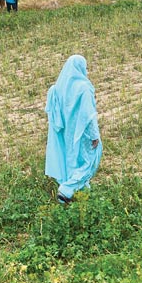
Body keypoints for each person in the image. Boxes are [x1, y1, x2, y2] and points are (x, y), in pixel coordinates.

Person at [45, 55, 102, 204]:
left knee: (72, 160)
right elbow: (89, 115)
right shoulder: (84, 88)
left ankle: (82, 193)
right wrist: (95, 135)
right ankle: (67, 190)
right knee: (89, 162)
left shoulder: (59, 88)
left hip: (66, 133)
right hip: (83, 133)